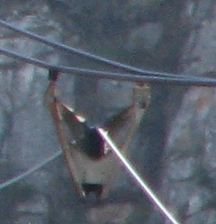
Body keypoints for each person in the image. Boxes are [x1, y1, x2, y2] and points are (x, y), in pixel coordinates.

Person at [46, 68, 150, 203]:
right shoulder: (99, 170)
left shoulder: (82, 170)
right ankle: (141, 87)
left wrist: (53, 84)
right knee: (129, 120)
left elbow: (58, 122)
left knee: (58, 111)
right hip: (95, 147)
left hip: (88, 146)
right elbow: (130, 130)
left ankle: (140, 88)